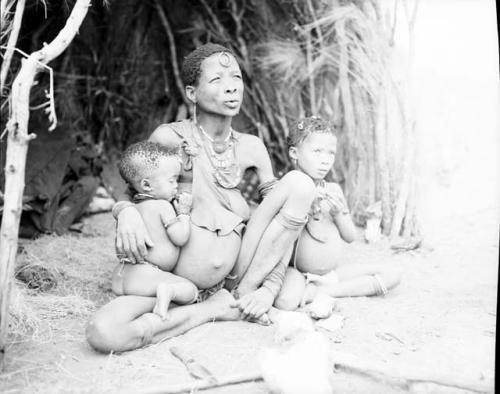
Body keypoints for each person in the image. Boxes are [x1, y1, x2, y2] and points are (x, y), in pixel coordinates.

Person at [86, 43, 315, 353]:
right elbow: (135, 191)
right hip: (173, 282)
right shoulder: (169, 137)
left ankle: (239, 294)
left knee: (300, 185)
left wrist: (268, 289)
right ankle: (211, 310)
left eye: (236, 77)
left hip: (238, 273)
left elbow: (280, 225)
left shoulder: (251, 147)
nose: (232, 86)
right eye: (217, 80)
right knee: (104, 333)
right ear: (192, 93)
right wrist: (124, 212)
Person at [233, 116, 402, 321]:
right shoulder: (291, 191)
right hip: (298, 272)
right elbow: (277, 242)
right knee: (286, 302)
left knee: (393, 274)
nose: (325, 160)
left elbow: (350, 237)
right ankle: (316, 292)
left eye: (331, 153)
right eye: (317, 152)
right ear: (294, 153)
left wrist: (338, 212)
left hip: (332, 274)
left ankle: (320, 293)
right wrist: (305, 214)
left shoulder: (333, 190)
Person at [112, 141, 197, 321]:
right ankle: (167, 291)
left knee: (138, 304)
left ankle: (154, 302)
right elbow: (180, 237)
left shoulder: (133, 210)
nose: (176, 186)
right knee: (190, 291)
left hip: (121, 276)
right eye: (172, 180)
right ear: (147, 185)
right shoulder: (162, 207)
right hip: (147, 273)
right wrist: (183, 213)